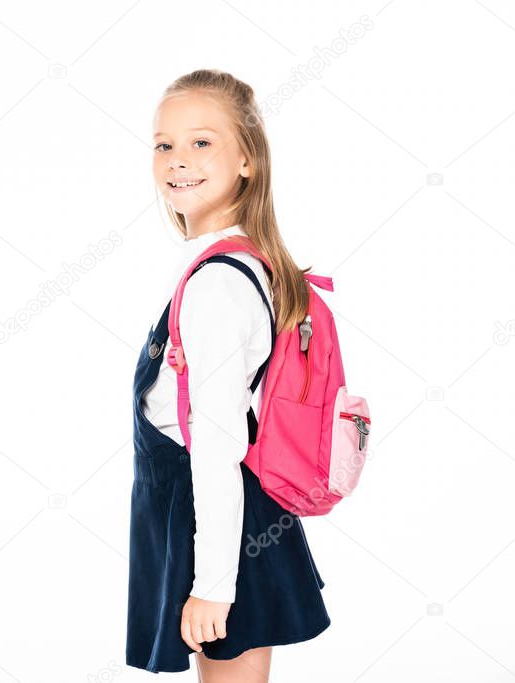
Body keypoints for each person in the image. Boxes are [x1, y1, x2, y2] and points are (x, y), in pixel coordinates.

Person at [126, 69, 330, 682]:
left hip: (222, 524)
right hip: (202, 515)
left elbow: (216, 443)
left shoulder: (217, 283)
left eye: (202, 142)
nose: (177, 160)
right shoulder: (214, 266)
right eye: (164, 144)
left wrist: (217, 584)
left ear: (247, 159)